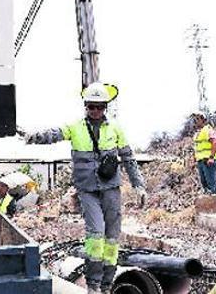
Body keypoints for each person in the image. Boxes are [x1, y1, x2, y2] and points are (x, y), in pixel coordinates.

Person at [22, 82, 146, 294]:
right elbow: (55, 133)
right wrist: (34, 136)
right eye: (91, 106)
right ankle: (93, 285)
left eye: (100, 106)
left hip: (111, 188)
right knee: (95, 235)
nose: (96, 111)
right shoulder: (76, 127)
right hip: (87, 189)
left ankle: (107, 284)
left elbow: (128, 157)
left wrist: (138, 185)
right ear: (86, 106)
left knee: (112, 238)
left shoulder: (115, 128)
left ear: (105, 107)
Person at [191, 111, 216, 194]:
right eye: (194, 119)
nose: (195, 121)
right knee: (205, 183)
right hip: (201, 161)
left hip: (208, 160)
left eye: (197, 119)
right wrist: (194, 160)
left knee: (211, 183)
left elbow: (215, 142)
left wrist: (211, 157)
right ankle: (210, 201)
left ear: (203, 120)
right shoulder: (198, 133)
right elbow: (197, 147)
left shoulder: (208, 130)